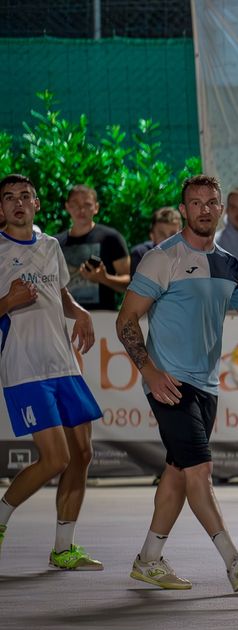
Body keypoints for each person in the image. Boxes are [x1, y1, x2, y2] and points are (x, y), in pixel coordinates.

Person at [116, 174, 238, 592]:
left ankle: (148, 559)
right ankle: (233, 561)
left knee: (176, 473)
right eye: (196, 202)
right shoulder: (161, 257)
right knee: (200, 470)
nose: (205, 209)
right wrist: (149, 371)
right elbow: (126, 320)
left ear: (220, 209)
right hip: (168, 383)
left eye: (212, 202)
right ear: (183, 210)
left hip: (207, 387)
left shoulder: (229, 265)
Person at [0, 174, 103, 570]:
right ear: (2, 209)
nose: (18, 203)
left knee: (82, 453)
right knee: (56, 458)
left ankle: (63, 548)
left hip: (63, 364)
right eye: (9, 198)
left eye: (25, 196)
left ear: (37, 204)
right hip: (25, 368)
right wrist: (7, 300)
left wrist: (79, 312)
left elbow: (59, 293)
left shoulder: (50, 245)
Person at [55, 184, 130, 311]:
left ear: (96, 207)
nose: (81, 209)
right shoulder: (55, 243)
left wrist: (104, 279)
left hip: (103, 319)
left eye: (87, 204)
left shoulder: (111, 238)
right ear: (67, 206)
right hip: (65, 319)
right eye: (75, 204)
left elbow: (131, 283)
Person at [129, 207, 183, 278]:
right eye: (161, 234)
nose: (167, 240)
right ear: (152, 236)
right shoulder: (141, 255)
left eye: (172, 234)